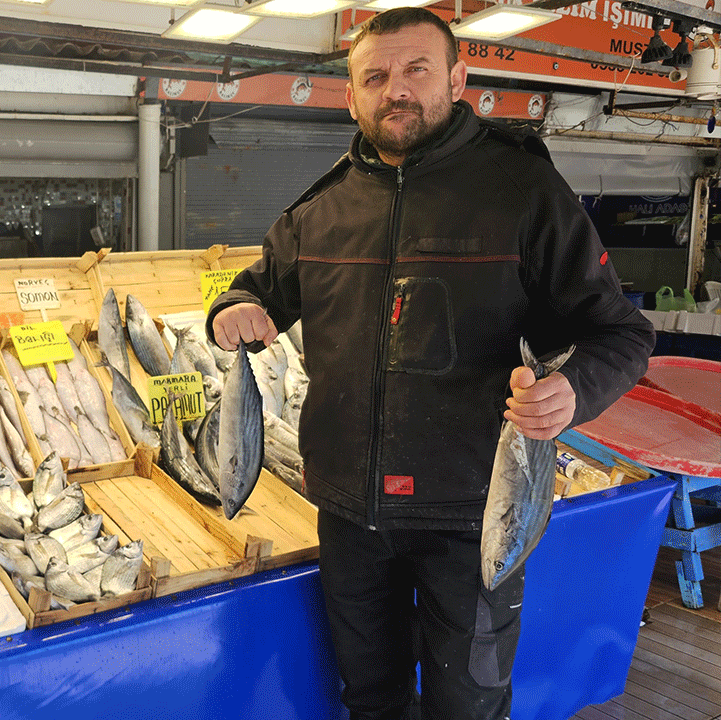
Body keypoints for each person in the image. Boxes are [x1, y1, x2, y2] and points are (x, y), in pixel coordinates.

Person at [206, 8, 655, 719]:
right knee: (370, 699)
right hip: (350, 514)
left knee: (468, 702)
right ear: (351, 95)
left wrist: (571, 391)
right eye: (375, 77)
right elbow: (256, 292)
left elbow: (621, 334)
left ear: (456, 78)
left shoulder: (524, 194)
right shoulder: (318, 211)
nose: (397, 90)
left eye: (416, 70)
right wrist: (231, 308)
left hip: (474, 512)